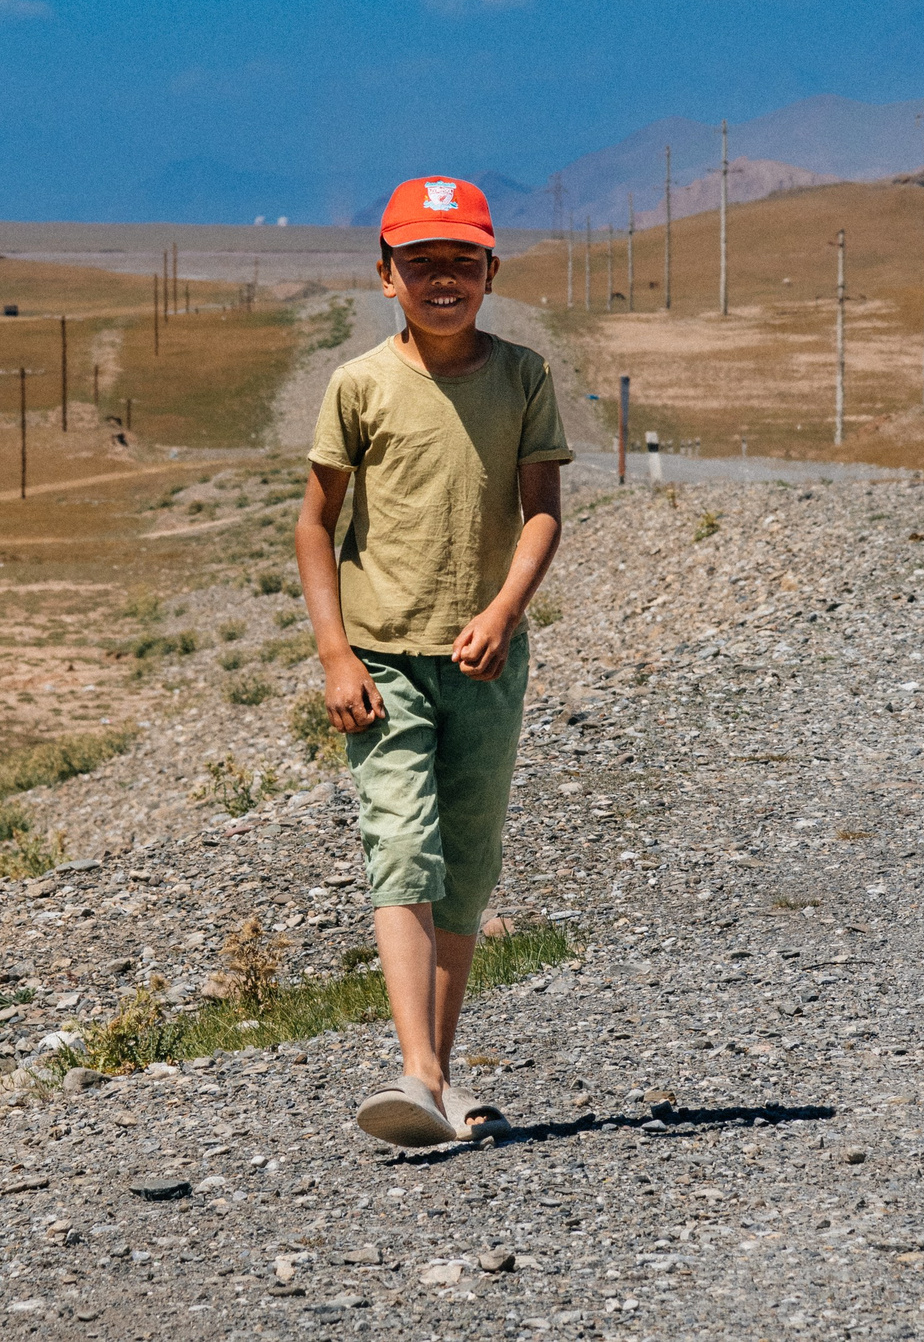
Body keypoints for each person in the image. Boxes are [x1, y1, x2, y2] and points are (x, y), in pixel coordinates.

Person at [295, 175, 571, 1147]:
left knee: (464, 867)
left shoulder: (522, 376)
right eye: (421, 263)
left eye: (462, 261)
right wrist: (334, 654)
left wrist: (504, 608)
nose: (442, 280)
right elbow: (315, 523)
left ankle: (438, 1080)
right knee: (402, 849)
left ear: (491, 270)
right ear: (385, 276)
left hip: (486, 663)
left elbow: (540, 506)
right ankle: (415, 1071)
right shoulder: (359, 385)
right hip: (381, 662)